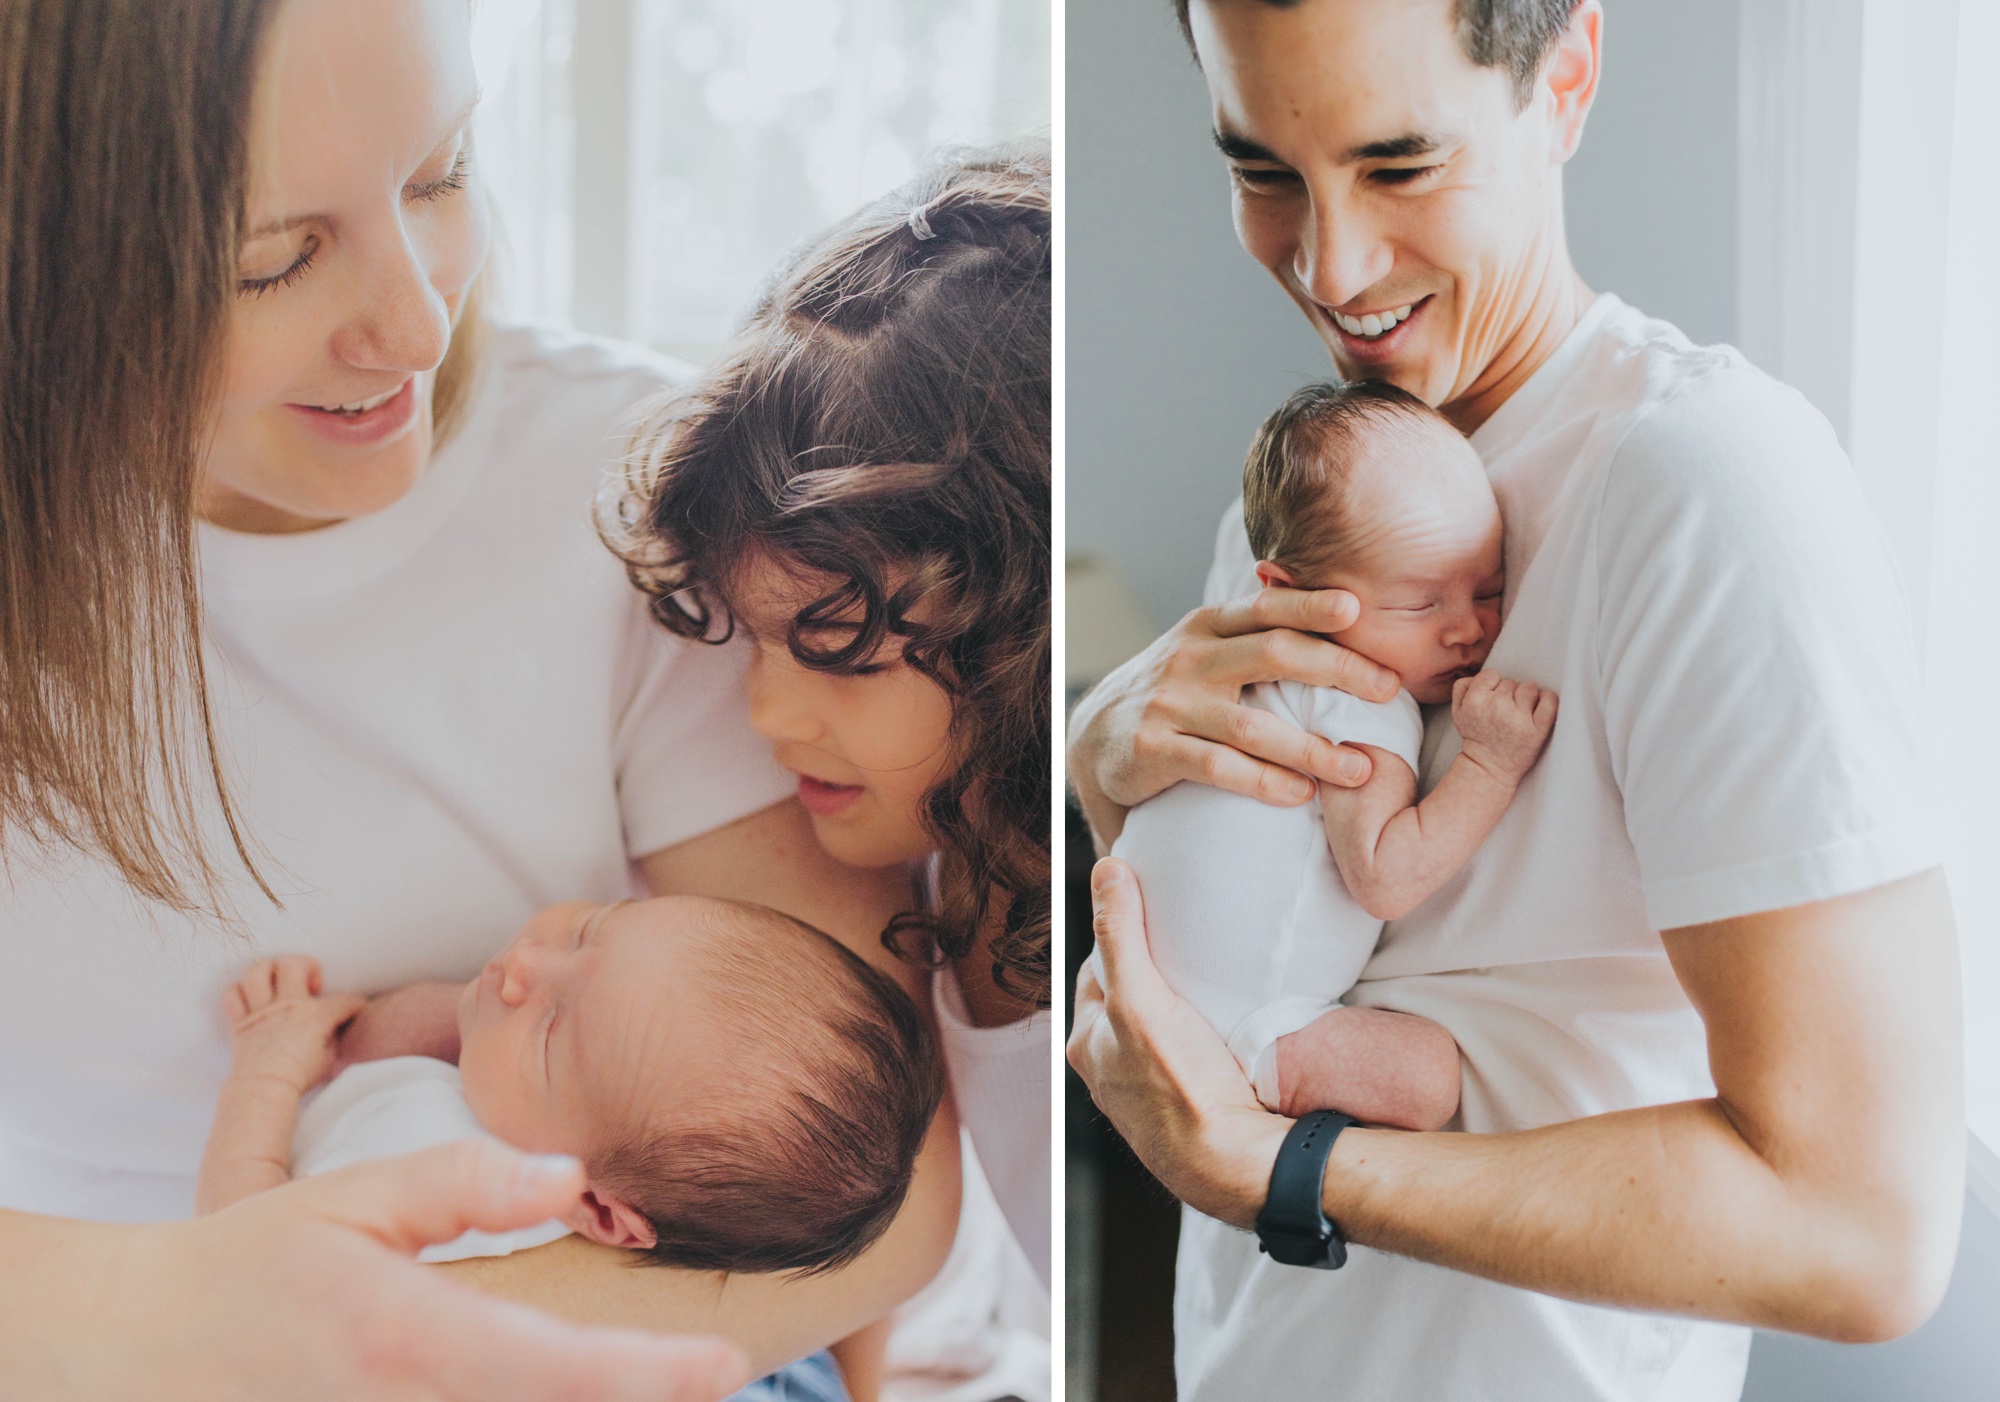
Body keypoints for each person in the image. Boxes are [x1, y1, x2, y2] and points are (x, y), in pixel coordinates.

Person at [0, 0, 962, 1395]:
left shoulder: (640, 498)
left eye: (441, 172)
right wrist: (188, 1324)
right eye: (273, 261)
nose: (414, 317)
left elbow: (876, 1187)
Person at [1065, 2, 1962, 1399]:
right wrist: (1097, 763)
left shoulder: (1708, 486)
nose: (1330, 264)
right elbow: (1224, 953)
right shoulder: (1318, 501)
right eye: (1263, 173)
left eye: (1400, 166)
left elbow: (1865, 1231)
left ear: (1568, 80)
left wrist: (1279, 1168)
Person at [607, 144, 1054, 1395]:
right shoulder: (910, 870)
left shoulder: (1086, 921)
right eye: (753, 639)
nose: (767, 714)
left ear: (1015, 638)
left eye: (839, 658)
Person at [1110, 380, 1553, 1126]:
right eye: (1419, 602)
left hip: (1143, 992)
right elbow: (1385, 875)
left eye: (1490, 587)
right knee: (1432, 1079)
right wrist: (1491, 762)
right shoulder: (1358, 693)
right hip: (1245, 1031)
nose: (1467, 629)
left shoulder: (1229, 672)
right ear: (1293, 592)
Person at [197, 898, 942, 1280]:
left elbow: (243, 1261)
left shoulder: (435, 1170)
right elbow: (388, 1044)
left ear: (594, 1208)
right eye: (590, 930)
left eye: (553, 1027)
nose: (523, 965)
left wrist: (266, 1068)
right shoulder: (547, 1111)